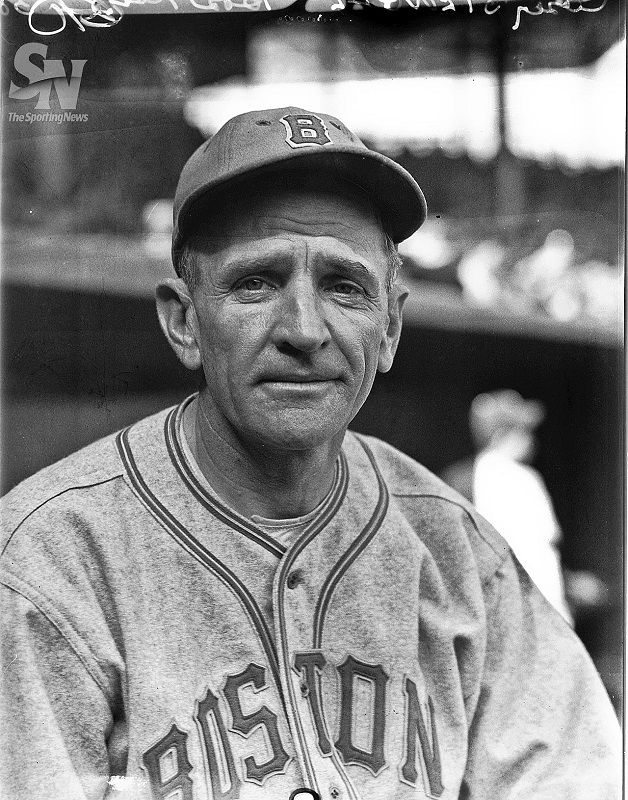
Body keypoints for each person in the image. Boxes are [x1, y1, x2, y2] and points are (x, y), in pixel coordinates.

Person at [0, 108, 620, 800]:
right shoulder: (52, 560)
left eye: (343, 286)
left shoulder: (458, 554)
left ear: (389, 326)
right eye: (256, 282)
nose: (303, 329)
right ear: (184, 321)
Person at [441, 390, 573, 623]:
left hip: (494, 613)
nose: (531, 439)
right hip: (535, 614)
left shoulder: (460, 478)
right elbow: (542, 551)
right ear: (504, 434)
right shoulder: (524, 478)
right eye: (523, 431)